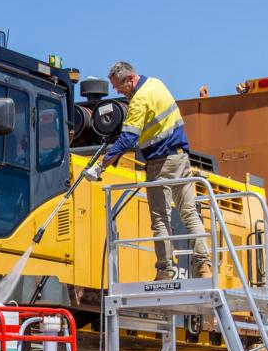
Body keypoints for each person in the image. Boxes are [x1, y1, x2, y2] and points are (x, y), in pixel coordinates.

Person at [86, 61, 212, 280]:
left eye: (118, 86)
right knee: (189, 212)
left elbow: (127, 139)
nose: (117, 91)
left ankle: (165, 270)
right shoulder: (157, 84)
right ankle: (204, 266)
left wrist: (101, 165)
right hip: (181, 158)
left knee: (160, 218)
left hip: (160, 163)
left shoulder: (139, 100)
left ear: (129, 79)